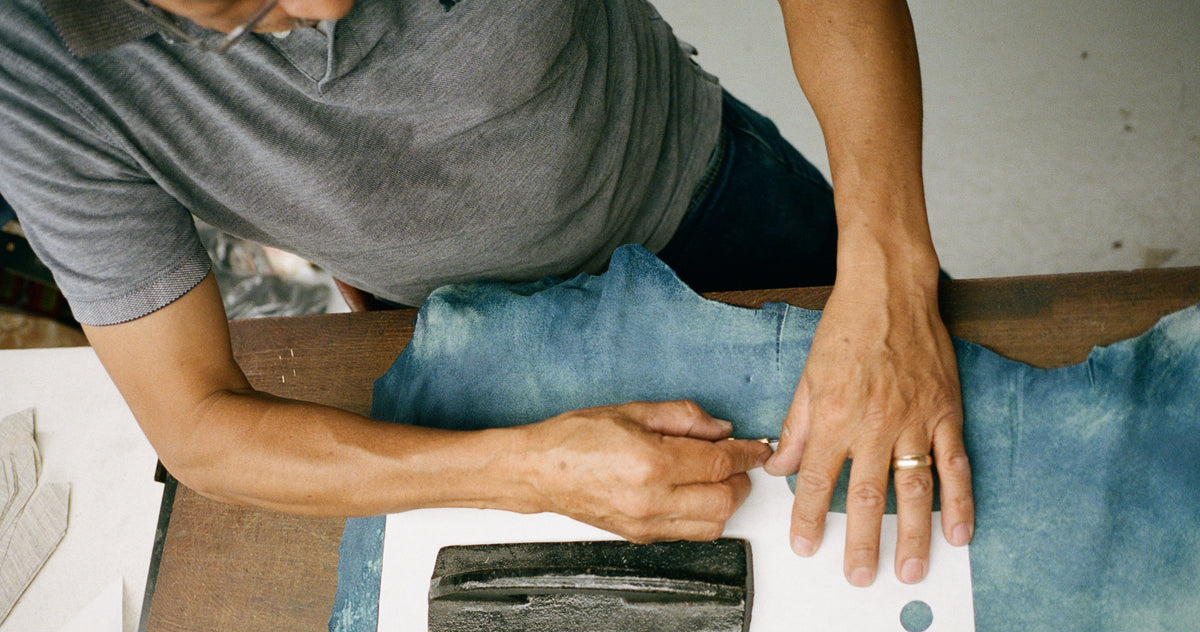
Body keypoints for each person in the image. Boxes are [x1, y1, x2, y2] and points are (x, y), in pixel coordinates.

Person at [0, 0, 973, 586]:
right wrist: (528, 472)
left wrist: (889, 263)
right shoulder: (25, 60)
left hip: (706, 196)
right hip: (446, 330)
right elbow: (197, 429)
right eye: (241, 16)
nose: (332, 7)